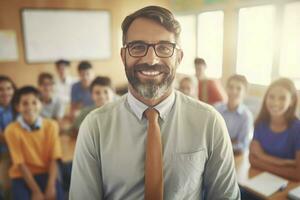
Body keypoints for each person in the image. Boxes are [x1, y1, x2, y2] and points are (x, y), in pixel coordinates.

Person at [70, 6, 240, 200]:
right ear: (123, 56)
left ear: (179, 57)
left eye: (165, 48)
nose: (151, 59)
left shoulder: (209, 122)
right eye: (138, 47)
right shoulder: (94, 127)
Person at [4, 86, 64, 200]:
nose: (30, 107)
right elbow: (20, 164)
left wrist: (51, 186)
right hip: (21, 177)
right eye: (25, 103)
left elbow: (54, 158)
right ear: (18, 107)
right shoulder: (11, 130)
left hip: (47, 175)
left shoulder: (51, 125)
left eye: (34, 102)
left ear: (41, 104)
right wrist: (36, 191)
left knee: (56, 195)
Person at [249, 78, 300, 181]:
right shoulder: (260, 123)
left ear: (291, 101)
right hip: (259, 181)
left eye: (282, 98)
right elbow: (252, 160)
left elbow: (298, 174)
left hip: (287, 187)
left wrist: (261, 157)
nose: (275, 103)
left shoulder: (297, 128)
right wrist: (283, 163)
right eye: (271, 97)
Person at [215, 74, 253, 154]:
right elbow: (211, 136)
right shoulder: (216, 109)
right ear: (226, 88)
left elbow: (243, 145)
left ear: (245, 92)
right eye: (231, 87)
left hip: (235, 155)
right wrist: (233, 141)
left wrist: (220, 144)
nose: (234, 91)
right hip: (214, 153)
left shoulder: (246, 116)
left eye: (238, 88)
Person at [0, 75, 16, 199]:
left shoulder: (17, 106)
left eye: (8, 88)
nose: (5, 92)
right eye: (1, 89)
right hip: (4, 152)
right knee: (7, 186)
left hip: (19, 149)